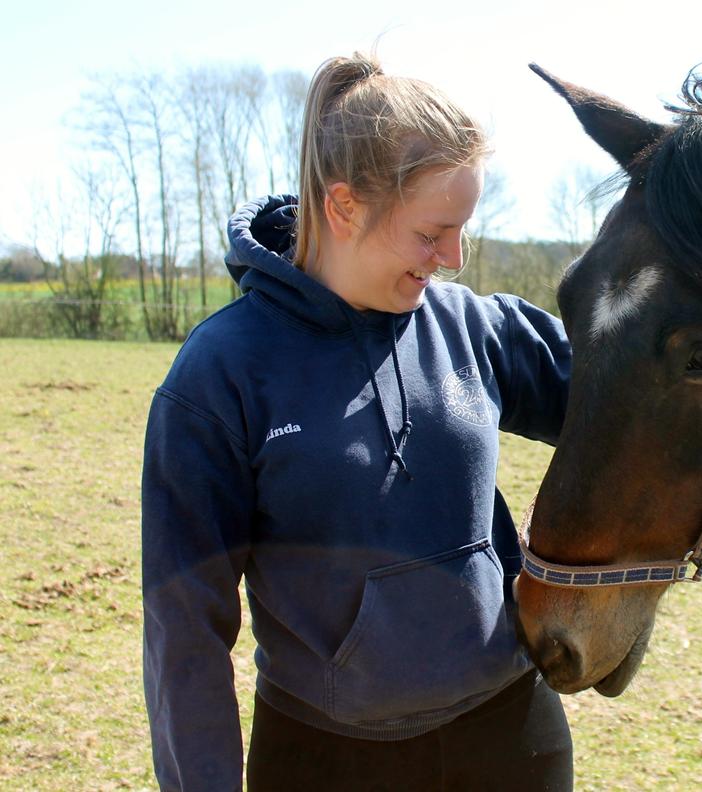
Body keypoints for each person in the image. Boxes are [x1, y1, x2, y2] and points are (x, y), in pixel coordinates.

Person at [141, 52, 574, 791]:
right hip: (325, 756)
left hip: (512, 737)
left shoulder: (470, 327)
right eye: (432, 232)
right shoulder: (221, 374)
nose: (455, 258)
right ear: (343, 207)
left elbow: (639, 406)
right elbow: (184, 632)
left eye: (462, 230)